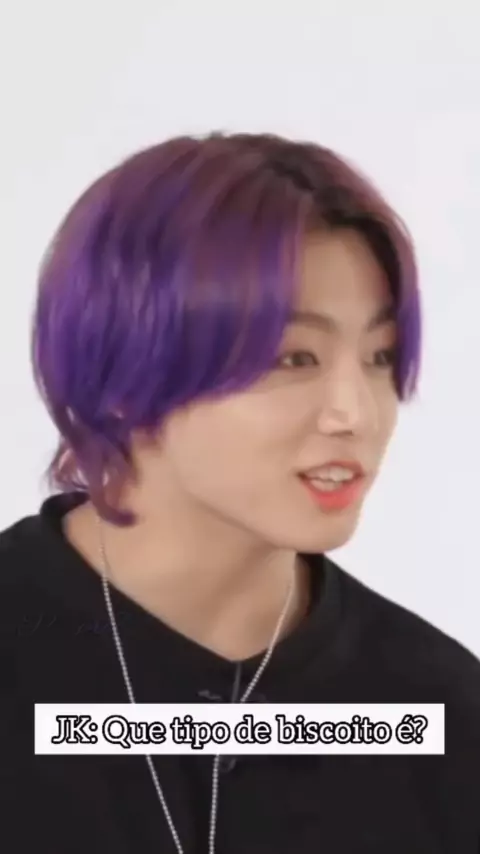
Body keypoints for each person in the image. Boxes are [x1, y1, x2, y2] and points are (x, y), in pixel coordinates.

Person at [0, 131, 479, 854]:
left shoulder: (437, 711)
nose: (355, 413)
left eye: (380, 357)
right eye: (294, 357)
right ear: (126, 369)